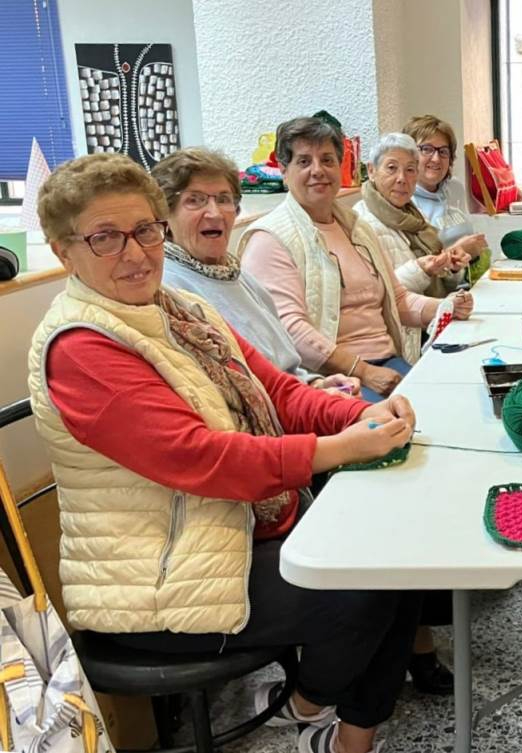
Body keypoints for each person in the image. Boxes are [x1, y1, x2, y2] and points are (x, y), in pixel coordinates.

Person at [30, 152, 425, 753]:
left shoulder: (183, 309)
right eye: (105, 237)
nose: (135, 253)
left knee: (400, 554)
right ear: (64, 252)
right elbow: (204, 460)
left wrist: (360, 414)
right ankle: (304, 707)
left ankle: (343, 734)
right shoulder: (82, 347)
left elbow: (278, 390)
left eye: (145, 230)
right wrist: (338, 447)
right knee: (367, 585)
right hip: (157, 582)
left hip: (225, 536)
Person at [239, 116, 472, 403]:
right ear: (284, 171)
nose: (317, 170)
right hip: (332, 383)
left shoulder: (356, 227)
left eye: (327, 160)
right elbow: (291, 331)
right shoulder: (270, 239)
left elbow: (398, 300)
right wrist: (363, 371)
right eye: (304, 161)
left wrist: (448, 307)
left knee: (459, 398)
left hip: (387, 362)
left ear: (340, 167)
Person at [151, 147, 359, 397]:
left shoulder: (239, 277)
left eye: (224, 199)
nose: (215, 213)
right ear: (165, 216)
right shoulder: (168, 291)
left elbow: (286, 367)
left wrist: (317, 385)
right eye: (195, 200)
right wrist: (313, 400)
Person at [354, 132, 478, 301]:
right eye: (391, 168)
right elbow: (374, 295)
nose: (402, 178)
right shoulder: (360, 224)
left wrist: (451, 267)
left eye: (410, 170)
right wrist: (421, 270)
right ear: (371, 171)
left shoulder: (415, 215)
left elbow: (442, 284)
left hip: (431, 311)